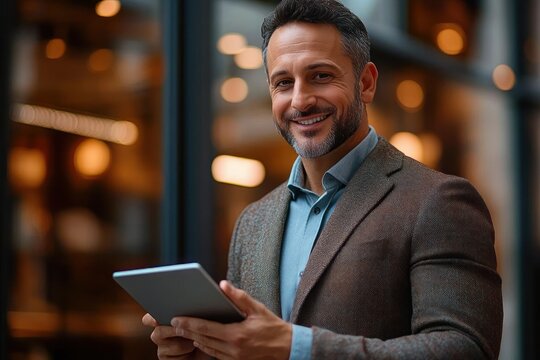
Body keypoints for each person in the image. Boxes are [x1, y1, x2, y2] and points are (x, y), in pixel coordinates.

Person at [143, 0, 503, 358]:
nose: (300, 101)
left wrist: (297, 347)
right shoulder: (252, 222)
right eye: (283, 82)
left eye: (321, 76)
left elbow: (464, 348)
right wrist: (205, 350)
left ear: (365, 83)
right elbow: (252, 347)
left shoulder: (439, 201)